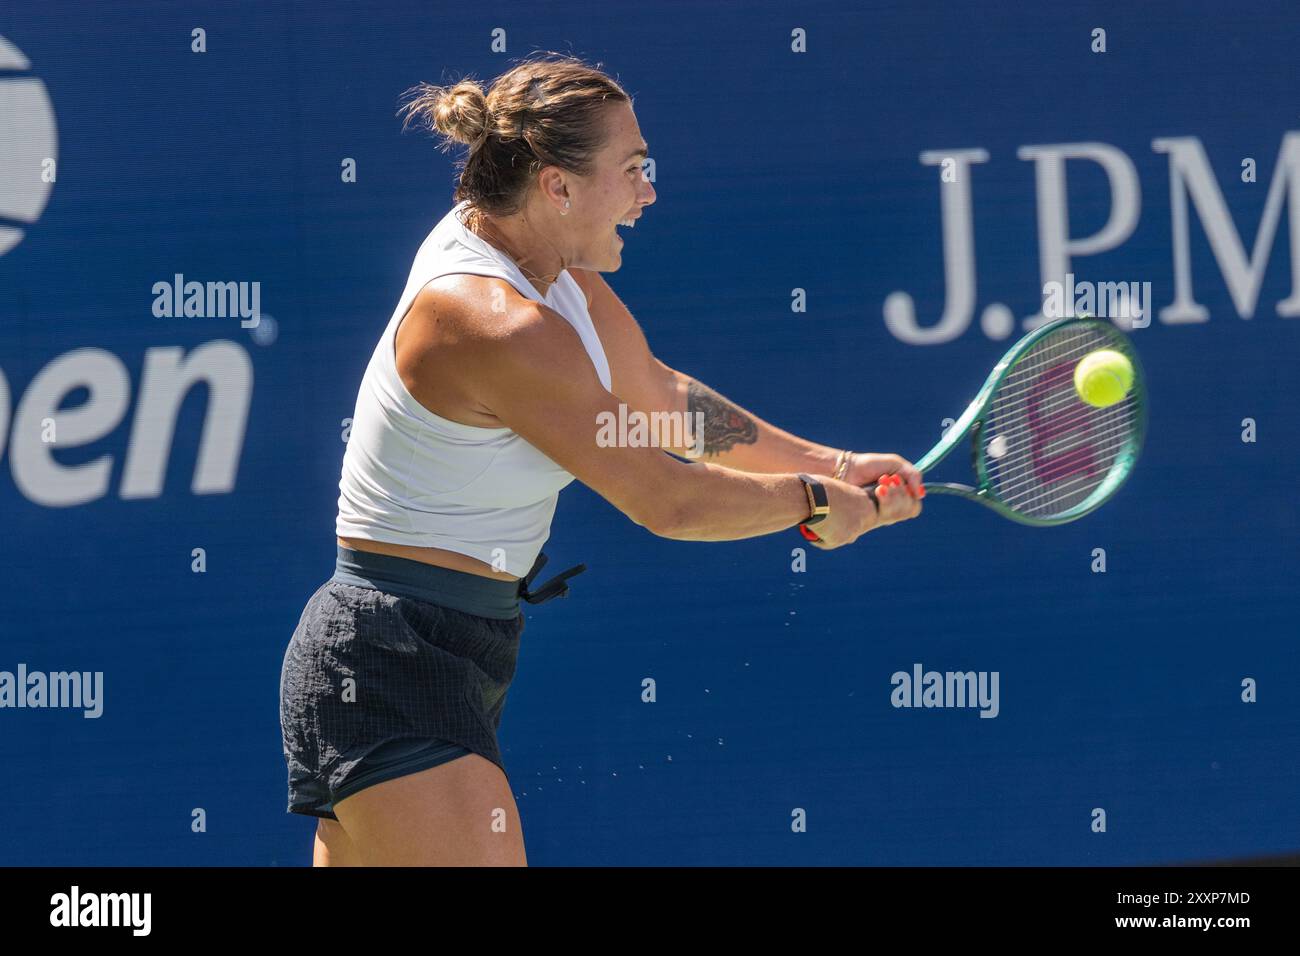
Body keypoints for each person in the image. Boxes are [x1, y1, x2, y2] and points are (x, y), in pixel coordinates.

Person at [279, 52, 924, 866]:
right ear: (557, 185)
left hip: (447, 649)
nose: (648, 192)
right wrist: (814, 502)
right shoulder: (494, 322)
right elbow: (669, 501)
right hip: (388, 661)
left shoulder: (547, 276)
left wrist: (834, 465)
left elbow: (662, 400)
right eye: (633, 169)